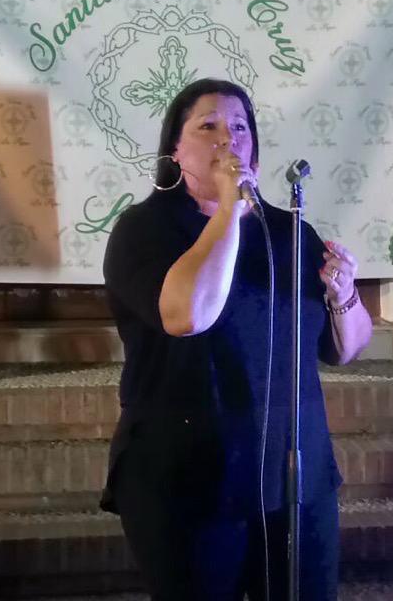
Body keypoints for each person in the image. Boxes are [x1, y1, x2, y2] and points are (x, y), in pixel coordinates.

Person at [99, 78, 373, 600]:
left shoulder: (289, 232)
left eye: (241, 127)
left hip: (293, 478)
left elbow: (345, 348)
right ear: (176, 151)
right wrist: (229, 210)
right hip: (188, 478)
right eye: (208, 126)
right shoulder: (144, 229)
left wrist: (344, 294)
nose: (228, 138)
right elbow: (187, 317)